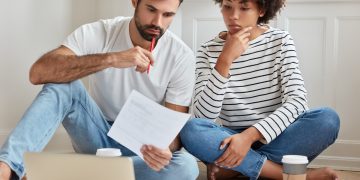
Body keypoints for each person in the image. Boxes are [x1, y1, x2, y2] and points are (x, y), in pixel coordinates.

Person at [0, 0, 199, 179]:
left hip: (142, 147)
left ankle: (87, 173)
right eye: (151, 9)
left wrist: (163, 148)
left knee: (186, 166)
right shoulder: (101, 31)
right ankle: (7, 168)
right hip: (96, 133)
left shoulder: (181, 56)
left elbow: (173, 134)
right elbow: (38, 73)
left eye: (168, 15)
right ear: (135, 2)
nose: (157, 22)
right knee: (63, 84)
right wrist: (112, 59)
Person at [180, 0, 340, 180]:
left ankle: (236, 167)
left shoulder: (280, 41)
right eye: (227, 7)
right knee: (190, 129)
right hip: (230, 138)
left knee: (327, 119)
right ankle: (287, 175)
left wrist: (248, 138)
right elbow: (203, 117)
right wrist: (225, 60)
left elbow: (297, 101)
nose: (233, 16)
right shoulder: (207, 50)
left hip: (276, 134)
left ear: (262, 10)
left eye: (244, 8)